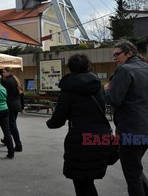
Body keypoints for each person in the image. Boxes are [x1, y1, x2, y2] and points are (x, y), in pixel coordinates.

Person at [46, 54, 110, 196]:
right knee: (88, 182)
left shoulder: (68, 89)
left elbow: (58, 120)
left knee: (82, 185)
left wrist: (50, 123)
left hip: (80, 141)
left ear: (70, 68)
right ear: (88, 65)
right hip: (100, 138)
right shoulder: (97, 85)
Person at [104, 40, 148, 196]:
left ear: (130, 53)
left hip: (130, 132)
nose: (115, 58)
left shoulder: (125, 70)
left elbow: (114, 100)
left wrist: (106, 89)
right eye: (113, 55)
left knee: (132, 175)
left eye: (117, 54)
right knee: (135, 169)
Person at [1, 67, 24, 152]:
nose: (3, 74)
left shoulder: (5, 81)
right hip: (16, 106)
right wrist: (22, 107)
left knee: (12, 126)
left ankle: (18, 145)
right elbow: (22, 94)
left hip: (9, 106)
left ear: (9, 72)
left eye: (4, 72)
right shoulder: (17, 80)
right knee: (10, 124)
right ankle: (6, 140)